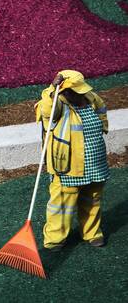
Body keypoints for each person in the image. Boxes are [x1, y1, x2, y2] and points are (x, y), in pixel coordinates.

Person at [35, 70, 109, 250]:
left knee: (92, 200)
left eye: (81, 90)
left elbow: (102, 112)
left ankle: (92, 233)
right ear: (65, 91)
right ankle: (55, 239)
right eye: (75, 91)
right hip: (67, 165)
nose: (80, 94)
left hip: (95, 162)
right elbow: (45, 111)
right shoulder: (56, 103)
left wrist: (103, 126)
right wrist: (52, 89)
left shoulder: (91, 98)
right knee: (61, 204)